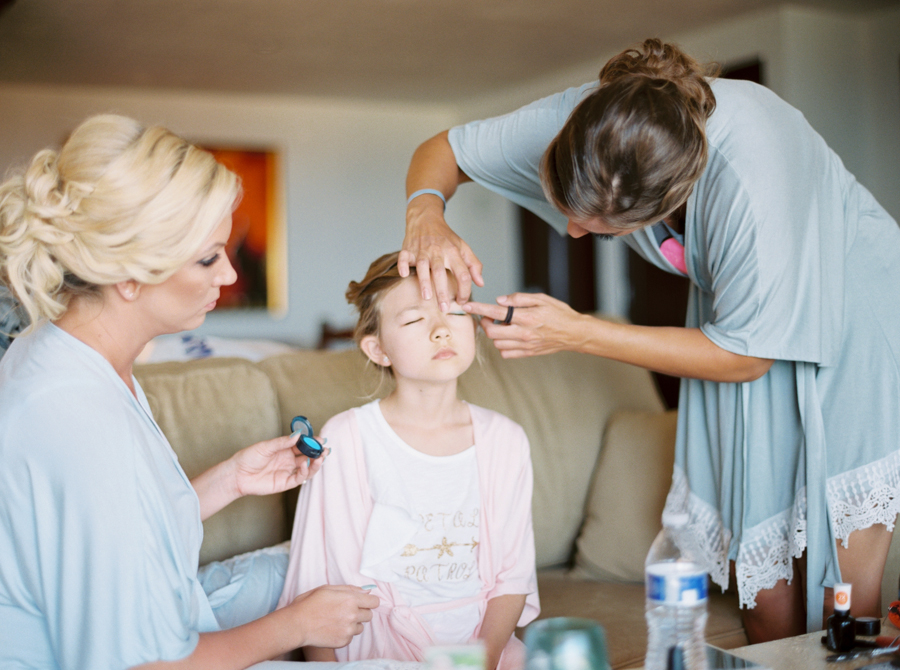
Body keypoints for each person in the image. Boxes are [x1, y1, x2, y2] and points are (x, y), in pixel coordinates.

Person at [399, 38, 900, 643]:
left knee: (839, 606)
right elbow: (444, 150)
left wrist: (580, 331)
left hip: (851, 318)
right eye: (568, 206)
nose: (574, 232)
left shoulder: (752, 178)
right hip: (735, 327)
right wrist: (425, 213)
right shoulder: (590, 119)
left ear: (670, 202)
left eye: (601, 229)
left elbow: (746, 356)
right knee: (764, 606)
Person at [0, 114, 378, 669]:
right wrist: (296, 626)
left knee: (344, 561)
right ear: (129, 275)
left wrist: (231, 479)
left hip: (162, 620)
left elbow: (115, 529)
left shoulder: (70, 354)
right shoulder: (77, 419)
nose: (228, 275)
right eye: (207, 257)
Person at [277, 251, 539, 670]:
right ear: (378, 348)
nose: (440, 330)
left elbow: (513, 577)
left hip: (482, 648)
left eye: (454, 313)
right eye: (416, 320)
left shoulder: (505, 440)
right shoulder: (348, 438)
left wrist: (481, 661)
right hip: (374, 648)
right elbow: (318, 580)